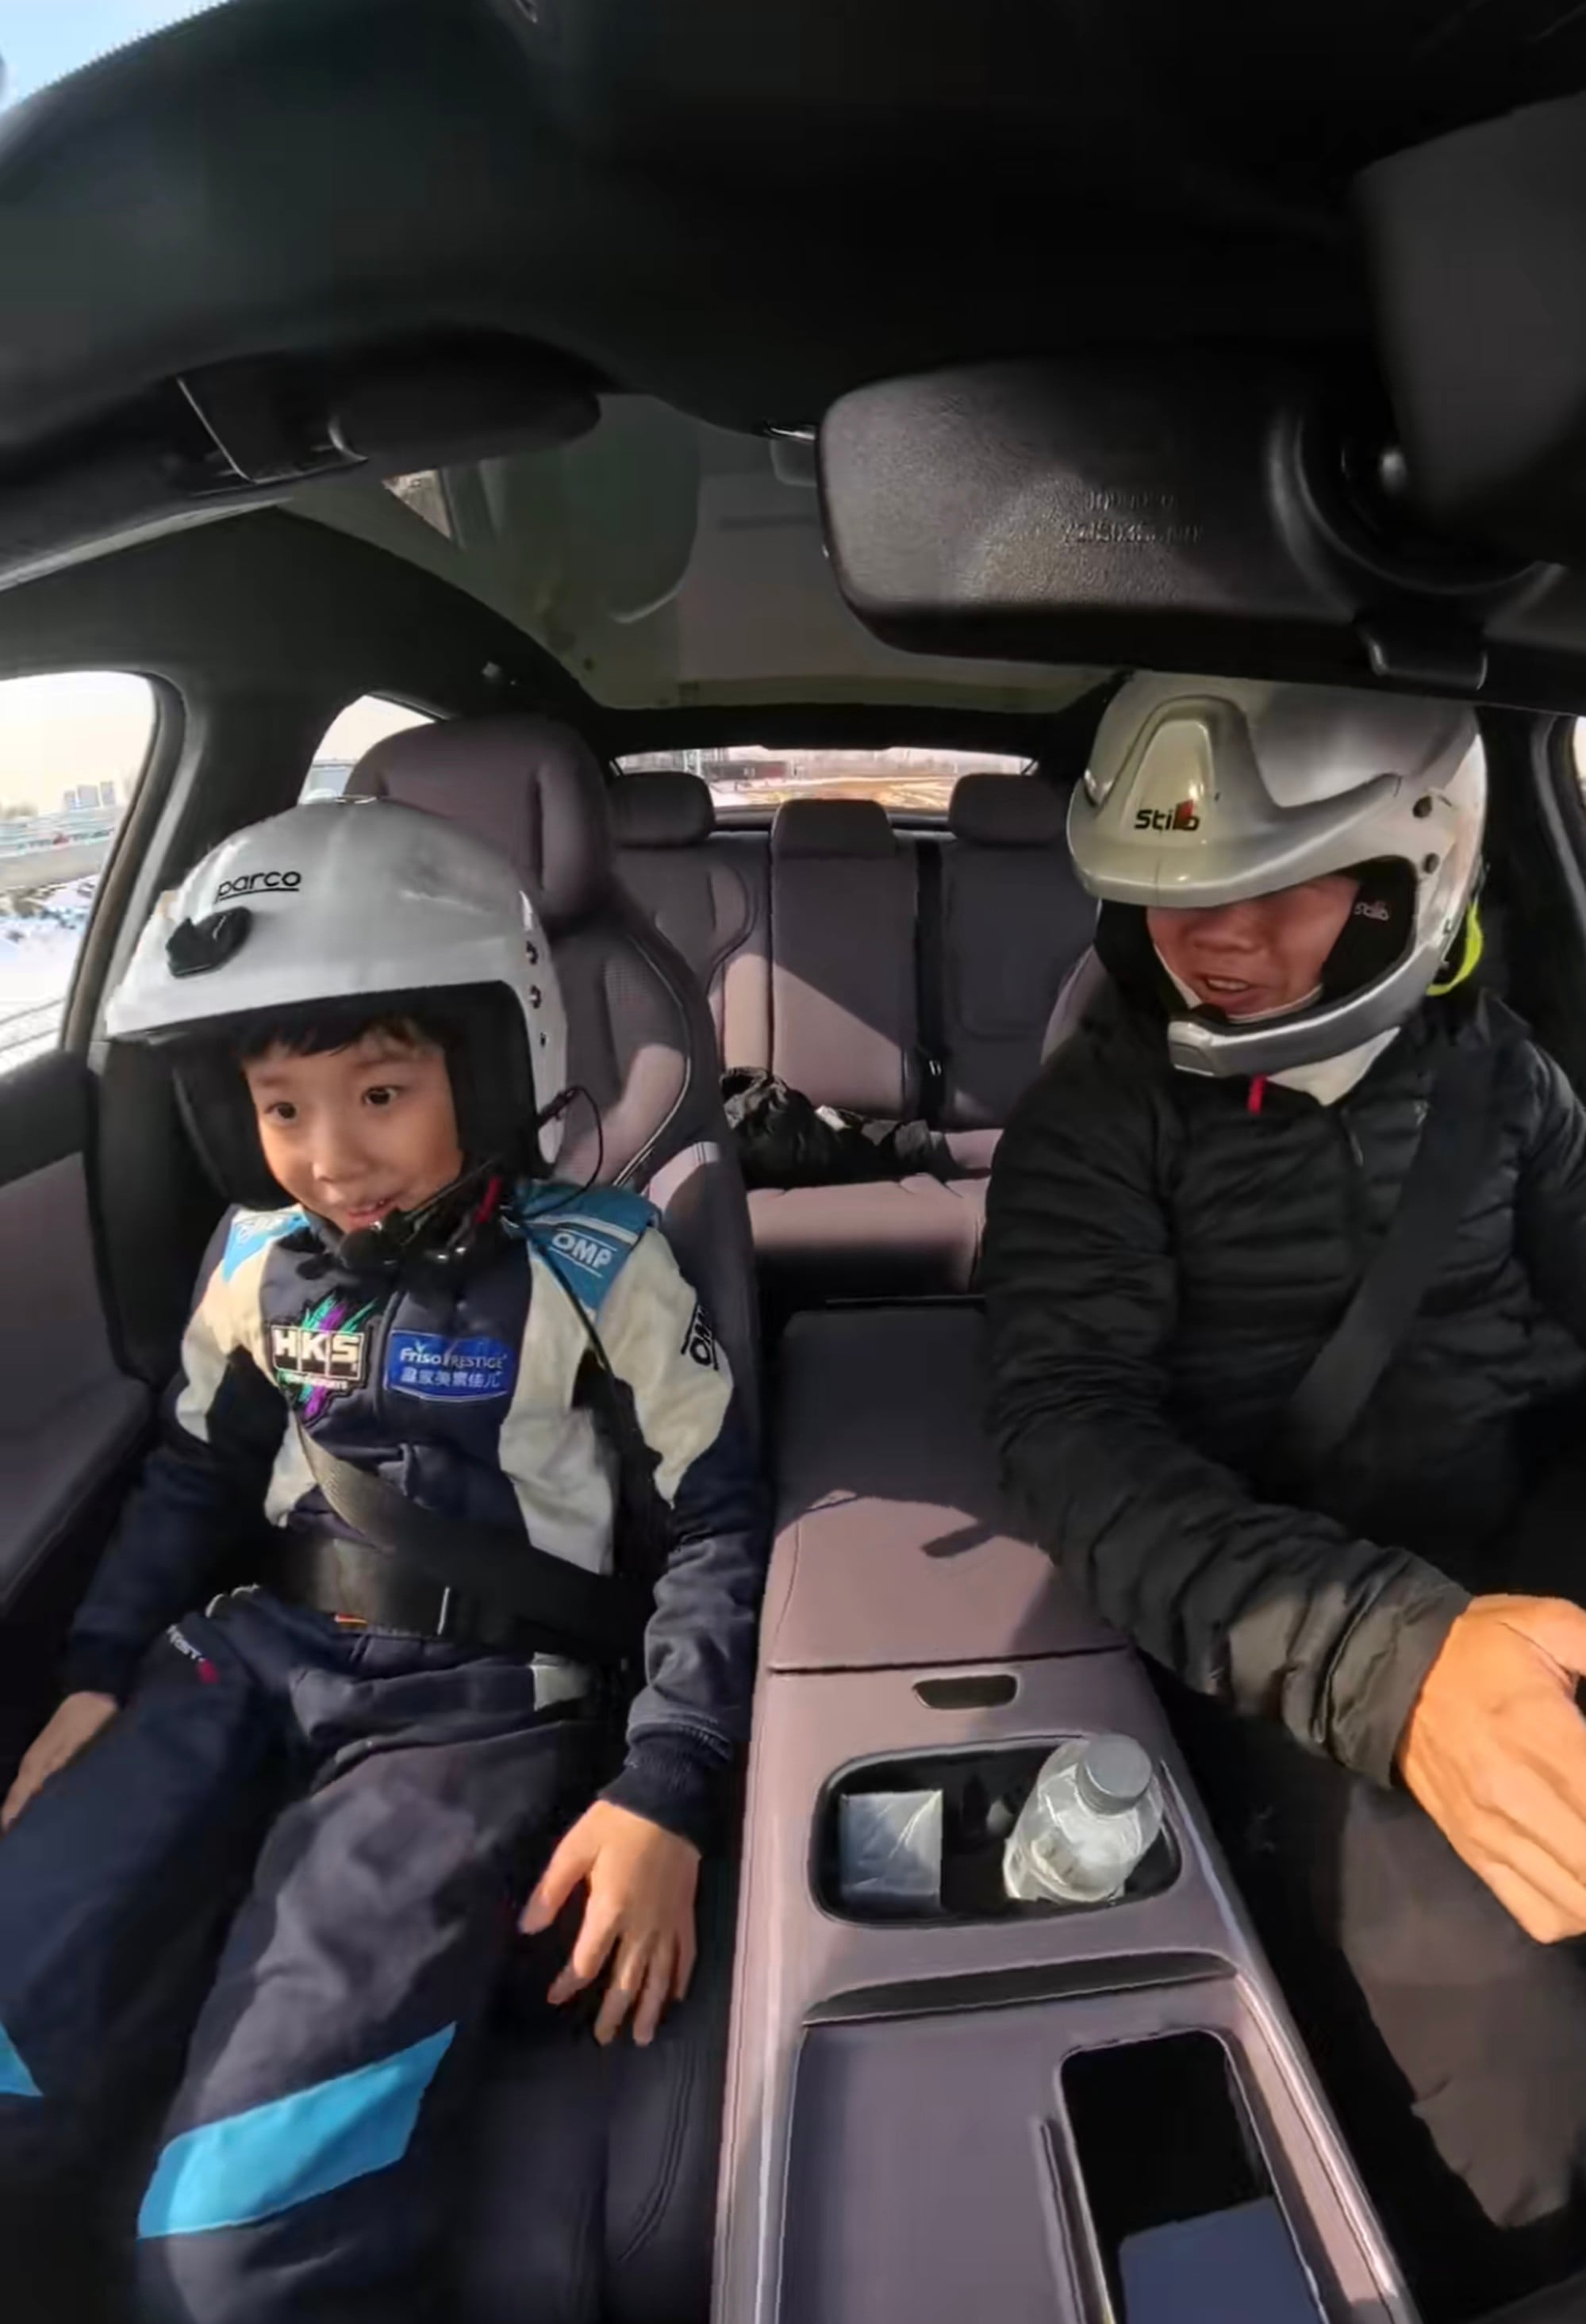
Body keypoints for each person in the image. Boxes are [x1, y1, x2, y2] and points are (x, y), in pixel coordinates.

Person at [0, 796, 767, 2322]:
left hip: (473, 1715)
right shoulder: (250, 1263)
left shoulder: (597, 1262)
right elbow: (186, 1478)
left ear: (486, 1072)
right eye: (283, 1109)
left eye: (383, 1092)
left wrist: (662, 1789)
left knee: (227, 2253)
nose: (332, 1159)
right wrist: (92, 1679)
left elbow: (720, 1529)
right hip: (245, 1663)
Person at [983, 674, 1586, 2322]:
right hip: (1289, 1625)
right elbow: (1070, 1440)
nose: (1205, 938)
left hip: (1522, 1542)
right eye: (1172, 891)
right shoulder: (1093, 1124)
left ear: (1411, 877)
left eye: (1266, 888)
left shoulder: (1507, 1079)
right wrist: (1391, 1663)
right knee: (1527, 2082)